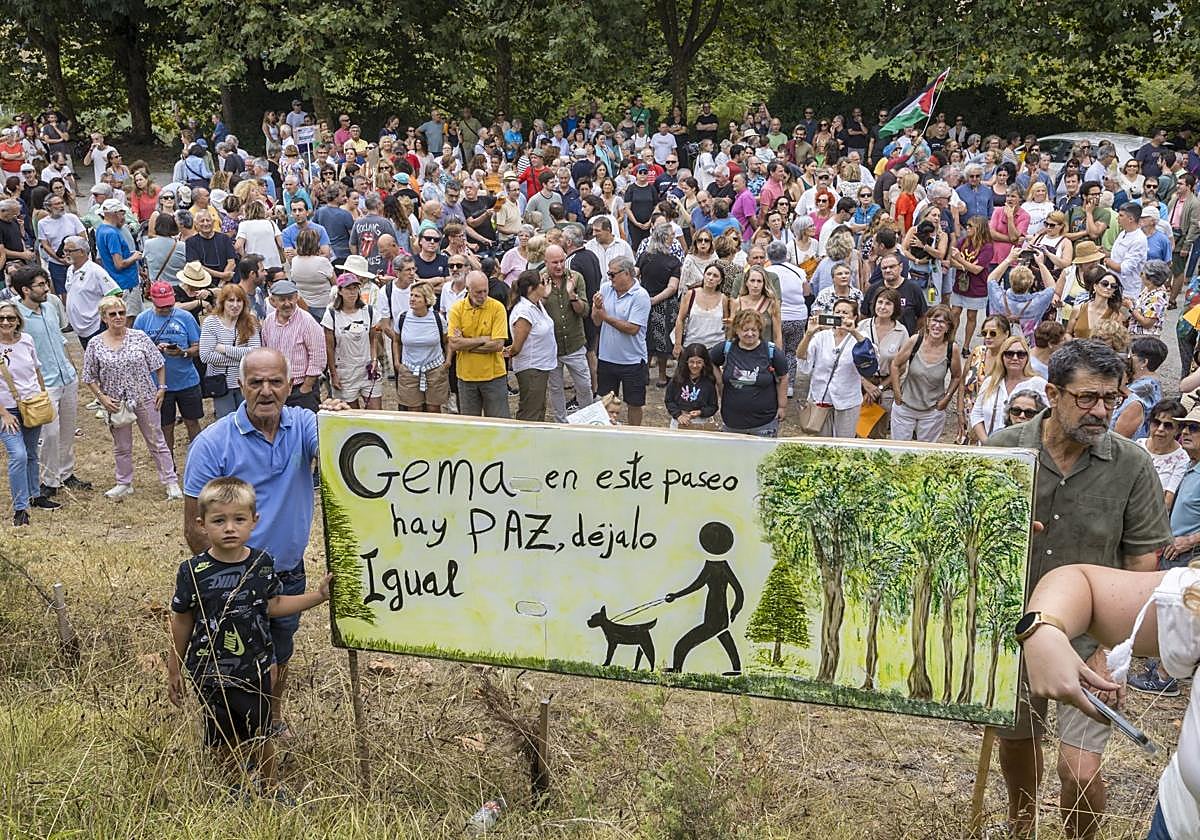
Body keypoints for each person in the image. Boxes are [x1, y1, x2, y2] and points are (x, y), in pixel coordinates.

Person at [986, 339, 1171, 840]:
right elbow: (966, 539)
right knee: (1018, 744)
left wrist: (1115, 649)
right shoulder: (1003, 450)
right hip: (1013, 629)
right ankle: (1020, 825)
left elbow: (1141, 565)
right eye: (1088, 398)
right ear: (1052, 392)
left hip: (1092, 643)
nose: (1102, 411)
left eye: (1111, 399)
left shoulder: (1132, 465)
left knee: (1082, 772)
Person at [183, 348, 348, 740]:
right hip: (233, 579)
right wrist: (228, 573)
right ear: (240, 386)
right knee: (232, 662)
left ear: (290, 385)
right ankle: (228, 738)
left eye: (275, 381)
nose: (266, 391)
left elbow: (335, 444)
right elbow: (194, 528)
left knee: (279, 652)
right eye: (255, 382)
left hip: (286, 572)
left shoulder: (304, 425)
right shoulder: (212, 444)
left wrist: (341, 419)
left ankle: (270, 723)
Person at [168, 477, 331, 801]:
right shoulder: (193, 571)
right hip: (210, 673)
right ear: (202, 525)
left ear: (254, 521)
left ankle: (270, 787)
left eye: (239, 519)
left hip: (254, 670)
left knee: (260, 732)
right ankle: (236, 786)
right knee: (222, 736)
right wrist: (174, 668)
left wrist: (318, 596)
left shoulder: (261, 565)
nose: (230, 528)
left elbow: (274, 606)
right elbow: (183, 621)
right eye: (219, 520)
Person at [1019, 560, 1199, 840]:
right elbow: (1083, 585)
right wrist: (1042, 630)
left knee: (1081, 773)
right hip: (1178, 823)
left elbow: (1143, 556)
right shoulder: (1192, 598)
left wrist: (1104, 654)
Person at [82, 296, 180, 501]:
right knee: (122, 445)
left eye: (121, 313)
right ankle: (123, 483)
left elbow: (158, 363)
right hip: (116, 402)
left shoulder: (139, 337)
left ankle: (170, 482)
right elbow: (89, 376)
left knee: (156, 441)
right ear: (104, 318)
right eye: (113, 314)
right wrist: (102, 398)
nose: (118, 317)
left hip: (145, 396)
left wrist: (161, 388)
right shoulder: (95, 344)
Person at [11, 267, 90, 500]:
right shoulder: (14, 315)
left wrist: (71, 366)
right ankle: (48, 480)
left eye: (46, 283)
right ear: (25, 290)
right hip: (43, 384)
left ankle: (65, 473)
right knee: (50, 434)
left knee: (66, 430)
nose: (46, 288)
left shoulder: (51, 305)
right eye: (40, 285)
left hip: (66, 377)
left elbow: (60, 337)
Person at [0, 300, 56, 525]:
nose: (6, 322)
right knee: (18, 455)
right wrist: (4, 413)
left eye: (10, 318)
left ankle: (35, 494)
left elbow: (36, 370)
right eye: (1, 318)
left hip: (32, 404)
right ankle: (20, 507)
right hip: (7, 410)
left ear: (18, 321)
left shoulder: (27, 341)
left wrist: (42, 395)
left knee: (32, 452)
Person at [134, 281, 204, 454]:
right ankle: (168, 464)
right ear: (151, 299)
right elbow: (134, 351)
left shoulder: (185, 317)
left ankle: (199, 457)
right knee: (165, 426)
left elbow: (199, 347)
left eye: (169, 305)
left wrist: (183, 352)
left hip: (187, 381)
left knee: (192, 422)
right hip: (158, 386)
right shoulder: (142, 320)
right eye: (162, 305)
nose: (166, 309)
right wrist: (152, 350)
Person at [708, 309, 788, 436]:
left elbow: (783, 377)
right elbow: (710, 361)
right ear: (737, 330)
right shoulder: (726, 348)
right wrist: (720, 381)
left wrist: (782, 406)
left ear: (760, 331)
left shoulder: (772, 352)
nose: (750, 334)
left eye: (754, 330)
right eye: (745, 330)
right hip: (732, 422)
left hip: (764, 423)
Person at [889, 305, 962, 442]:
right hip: (905, 406)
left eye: (943, 322)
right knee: (899, 451)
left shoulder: (952, 349)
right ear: (927, 322)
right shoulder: (915, 340)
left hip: (932, 411)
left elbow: (957, 376)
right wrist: (897, 392)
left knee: (925, 454)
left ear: (948, 327)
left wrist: (947, 398)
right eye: (935, 320)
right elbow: (895, 364)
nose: (937, 325)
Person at [796, 298, 868, 437]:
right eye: (838, 312)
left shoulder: (860, 337)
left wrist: (853, 332)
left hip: (847, 398)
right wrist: (809, 333)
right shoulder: (821, 336)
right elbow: (801, 356)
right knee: (823, 443)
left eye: (845, 313)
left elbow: (870, 359)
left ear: (854, 317)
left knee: (845, 443)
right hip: (821, 397)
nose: (841, 315)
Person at [593, 256, 651, 426]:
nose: (609, 278)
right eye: (608, 274)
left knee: (634, 403)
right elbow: (596, 321)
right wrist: (597, 309)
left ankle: (634, 435)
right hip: (607, 357)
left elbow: (633, 329)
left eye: (612, 274)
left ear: (626, 274)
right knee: (605, 401)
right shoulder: (605, 289)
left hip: (632, 360)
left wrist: (606, 317)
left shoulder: (640, 296)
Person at [541, 243, 594, 423]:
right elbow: (534, 312)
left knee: (584, 385)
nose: (559, 266)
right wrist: (544, 296)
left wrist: (572, 296)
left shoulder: (576, 278)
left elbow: (585, 311)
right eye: (554, 262)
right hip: (551, 347)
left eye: (562, 261)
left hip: (574, 343)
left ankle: (587, 420)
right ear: (545, 262)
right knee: (555, 388)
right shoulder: (539, 280)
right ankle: (560, 423)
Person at [259, 279, 327, 412]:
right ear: (273, 301)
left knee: (304, 428)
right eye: (282, 300)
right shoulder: (268, 322)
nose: (287, 303)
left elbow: (318, 356)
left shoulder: (307, 321)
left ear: (296, 298)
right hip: (276, 388)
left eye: (291, 298)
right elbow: (265, 352)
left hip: (301, 389)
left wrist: (306, 387)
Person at [448, 271, 510, 418]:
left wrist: (466, 343)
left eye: (485, 291)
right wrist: (483, 339)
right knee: (470, 426)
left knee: (498, 424)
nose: (482, 296)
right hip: (466, 378)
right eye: (478, 292)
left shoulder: (497, 308)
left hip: (494, 377)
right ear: (468, 290)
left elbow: (498, 345)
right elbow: (454, 344)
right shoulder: (457, 309)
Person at [322, 273, 384, 409]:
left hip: (367, 368)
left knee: (376, 412)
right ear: (340, 291)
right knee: (350, 413)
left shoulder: (369, 311)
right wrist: (333, 374)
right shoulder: (331, 315)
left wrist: (374, 359)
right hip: (345, 371)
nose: (352, 292)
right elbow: (329, 348)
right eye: (348, 288)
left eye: (355, 288)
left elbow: (373, 338)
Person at [968, 335, 1046, 443]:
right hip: (989, 448)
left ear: (1027, 357)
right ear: (1002, 357)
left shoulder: (1039, 384)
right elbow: (976, 414)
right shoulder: (990, 382)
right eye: (1009, 354)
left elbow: (1047, 419)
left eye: (1020, 354)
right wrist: (987, 443)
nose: (1015, 358)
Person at [199, 284, 261, 419]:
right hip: (221, 382)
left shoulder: (250, 321)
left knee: (248, 419)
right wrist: (241, 357)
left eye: (239, 301)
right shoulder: (211, 322)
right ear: (222, 302)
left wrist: (224, 349)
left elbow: (255, 353)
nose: (235, 305)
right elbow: (205, 356)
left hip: (245, 381)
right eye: (231, 301)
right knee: (226, 421)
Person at [505, 270, 556, 421]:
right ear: (530, 289)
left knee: (539, 408)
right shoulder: (524, 311)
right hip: (531, 368)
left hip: (540, 366)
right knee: (530, 412)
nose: (545, 285)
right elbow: (517, 347)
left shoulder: (536, 304)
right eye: (542, 282)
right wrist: (507, 352)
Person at [395, 281, 450, 413]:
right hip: (409, 369)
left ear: (427, 299)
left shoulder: (438, 318)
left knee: (434, 408)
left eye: (417, 296)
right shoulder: (402, 318)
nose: (412, 299)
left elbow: (447, 341)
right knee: (414, 409)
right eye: (411, 295)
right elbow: (396, 341)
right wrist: (397, 363)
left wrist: (447, 362)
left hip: (434, 368)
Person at [857, 288, 909, 418]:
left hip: (887, 388)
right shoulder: (862, 326)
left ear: (895, 307)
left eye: (888, 303)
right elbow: (849, 359)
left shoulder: (901, 332)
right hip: (860, 384)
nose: (882, 307)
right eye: (880, 302)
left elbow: (902, 367)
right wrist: (866, 384)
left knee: (879, 429)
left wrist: (879, 388)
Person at [1110, 336, 1168, 441]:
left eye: (1131, 355)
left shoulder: (1143, 389)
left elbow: (1119, 438)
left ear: (1144, 362)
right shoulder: (1148, 383)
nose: (1128, 358)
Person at [93, 199, 144, 317]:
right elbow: (119, 264)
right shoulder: (112, 234)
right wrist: (135, 257)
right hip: (126, 283)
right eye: (122, 213)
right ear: (114, 213)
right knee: (129, 318)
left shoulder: (101, 229)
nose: (124, 217)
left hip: (116, 282)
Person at [674, 262, 729, 359]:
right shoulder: (691, 294)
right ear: (704, 276)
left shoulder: (723, 298)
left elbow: (726, 324)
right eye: (708, 274)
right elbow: (680, 320)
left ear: (720, 281)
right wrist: (677, 344)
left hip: (715, 347)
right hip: (692, 345)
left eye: (715, 276)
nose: (711, 278)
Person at [665, 343, 719, 430]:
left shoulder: (709, 382)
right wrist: (678, 415)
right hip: (679, 420)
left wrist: (700, 412)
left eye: (699, 362)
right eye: (691, 362)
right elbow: (669, 400)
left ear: (704, 363)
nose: (695, 366)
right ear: (686, 361)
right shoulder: (677, 380)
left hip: (701, 422)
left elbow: (713, 406)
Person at [288, 228, 335, 323]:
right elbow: (335, 283)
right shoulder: (322, 262)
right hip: (323, 305)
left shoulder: (295, 261)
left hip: (303, 305)